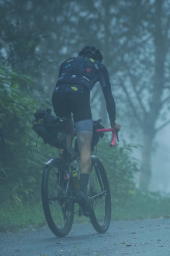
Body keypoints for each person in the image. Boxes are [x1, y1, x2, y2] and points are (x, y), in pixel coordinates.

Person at [51, 46, 120, 212]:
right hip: (79, 94)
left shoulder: (66, 62)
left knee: (67, 131)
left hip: (58, 95)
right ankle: (82, 192)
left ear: (80, 55)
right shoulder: (99, 66)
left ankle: (63, 179)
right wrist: (113, 122)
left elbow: (63, 82)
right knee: (84, 144)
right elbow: (108, 96)